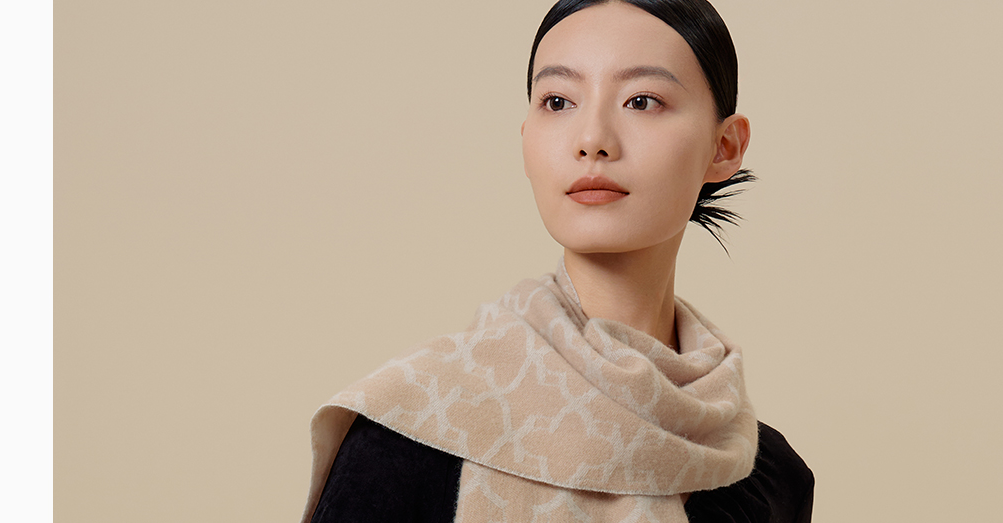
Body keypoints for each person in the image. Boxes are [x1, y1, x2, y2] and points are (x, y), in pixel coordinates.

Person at [300, 1, 814, 521]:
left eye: (642, 101)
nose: (592, 140)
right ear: (526, 139)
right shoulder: (410, 431)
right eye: (558, 101)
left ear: (725, 147)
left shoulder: (770, 479)